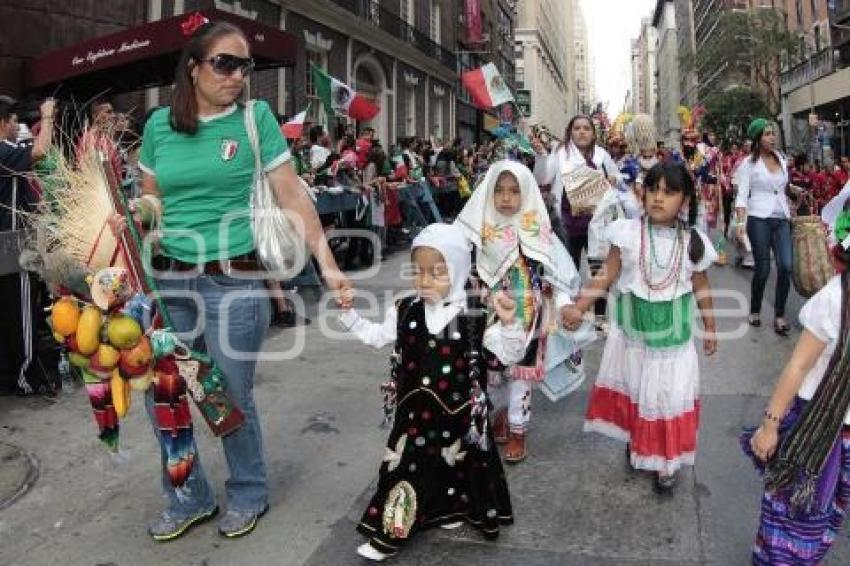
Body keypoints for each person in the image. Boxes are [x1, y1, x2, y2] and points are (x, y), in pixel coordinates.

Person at [125, 19, 350, 541]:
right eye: (225, 63)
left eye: (244, 65)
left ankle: (248, 489)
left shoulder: (255, 118)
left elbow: (292, 195)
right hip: (169, 281)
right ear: (194, 68)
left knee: (229, 393)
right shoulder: (160, 125)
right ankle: (189, 494)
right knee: (165, 392)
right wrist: (133, 216)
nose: (237, 75)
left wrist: (329, 265)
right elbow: (154, 200)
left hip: (235, 281)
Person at [338, 223, 520, 561]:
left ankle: (447, 509)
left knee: (453, 463)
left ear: (458, 269)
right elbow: (377, 336)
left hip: (460, 413)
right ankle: (389, 533)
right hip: (413, 416)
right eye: (418, 272)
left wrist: (509, 323)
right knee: (405, 467)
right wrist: (349, 314)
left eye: (437, 272)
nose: (424, 281)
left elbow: (506, 357)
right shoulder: (406, 308)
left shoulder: (476, 315)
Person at [562, 162, 718, 492]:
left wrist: (712, 328)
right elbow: (605, 275)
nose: (659, 197)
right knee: (638, 390)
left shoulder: (694, 242)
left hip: (673, 341)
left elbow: (702, 287)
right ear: (642, 192)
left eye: (670, 192)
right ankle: (640, 442)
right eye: (653, 189)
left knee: (666, 395)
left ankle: (665, 460)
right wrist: (579, 307)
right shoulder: (628, 233)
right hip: (634, 336)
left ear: (686, 201)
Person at [455, 160, 585, 463]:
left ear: (526, 193)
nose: (506, 197)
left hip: (527, 316)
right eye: (499, 190)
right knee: (491, 373)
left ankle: (518, 431)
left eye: (514, 191)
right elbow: (454, 264)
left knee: (519, 376)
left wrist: (565, 304)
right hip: (486, 313)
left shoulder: (538, 230)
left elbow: (557, 273)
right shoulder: (478, 228)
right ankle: (497, 415)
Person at [743, 203, 850, 564]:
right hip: (816, 427)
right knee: (790, 524)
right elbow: (798, 364)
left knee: (826, 523)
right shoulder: (835, 299)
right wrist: (770, 426)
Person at [533, 114, 618, 333]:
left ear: (593, 133)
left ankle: (600, 316)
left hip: (597, 227)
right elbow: (543, 179)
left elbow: (617, 180)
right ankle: (566, 313)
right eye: (577, 128)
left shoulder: (602, 156)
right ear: (570, 131)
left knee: (599, 271)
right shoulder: (560, 154)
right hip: (565, 226)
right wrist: (541, 156)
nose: (582, 132)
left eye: (586, 128)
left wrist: (612, 182)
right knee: (564, 271)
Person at [0, 95, 55, 395]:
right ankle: (26, 375)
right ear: (4, 122)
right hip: (9, 243)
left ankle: (9, 374)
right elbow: (42, 151)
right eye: (13, 120)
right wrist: (46, 116)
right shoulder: (3, 150)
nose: (16, 126)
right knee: (21, 310)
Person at [734, 119, 792, 335]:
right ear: (758, 139)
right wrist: (741, 223)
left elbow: (782, 188)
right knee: (764, 268)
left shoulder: (783, 160)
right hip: (759, 219)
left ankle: (779, 315)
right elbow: (741, 198)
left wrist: (793, 192)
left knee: (786, 266)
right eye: (767, 134)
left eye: (773, 134)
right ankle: (755, 309)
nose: (772, 137)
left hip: (782, 218)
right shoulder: (748, 165)